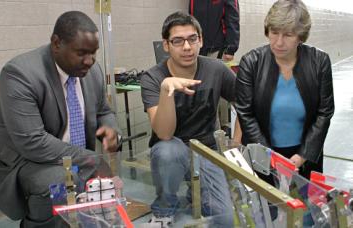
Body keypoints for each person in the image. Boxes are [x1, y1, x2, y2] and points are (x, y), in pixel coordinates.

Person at [0, 11, 121, 227]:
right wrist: (91, 159)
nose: (90, 61)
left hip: (66, 155)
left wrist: (111, 129)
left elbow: (104, 111)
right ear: (56, 43)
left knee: (80, 185)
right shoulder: (20, 74)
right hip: (22, 160)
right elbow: (32, 142)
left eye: (94, 53)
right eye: (82, 53)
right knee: (56, 181)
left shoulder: (91, 72)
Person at [140, 11, 235, 227]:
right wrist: (166, 91)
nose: (186, 47)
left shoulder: (216, 69)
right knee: (169, 150)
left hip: (207, 150)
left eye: (192, 39)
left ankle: (197, 191)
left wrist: (234, 146)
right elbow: (164, 133)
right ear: (166, 45)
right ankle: (164, 209)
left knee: (225, 218)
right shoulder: (153, 78)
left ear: (200, 40)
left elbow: (246, 106)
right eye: (177, 41)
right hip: (171, 149)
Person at [235, 0, 334, 181]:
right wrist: (271, 159)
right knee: (266, 206)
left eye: (288, 35)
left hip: (304, 155)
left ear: (301, 36)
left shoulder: (319, 62)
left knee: (304, 206)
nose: (279, 42)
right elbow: (245, 113)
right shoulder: (251, 63)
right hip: (263, 155)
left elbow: (324, 112)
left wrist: (302, 156)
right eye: (274, 33)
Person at [189, 0, 240, 136]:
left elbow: (232, 17)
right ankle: (209, 129)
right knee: (204, 89)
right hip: (199, 48)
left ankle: (222, 129)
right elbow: (191, 19)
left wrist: (231, 48)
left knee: (218, 89)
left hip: (219, 49)